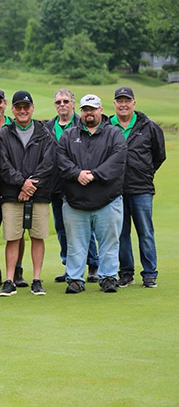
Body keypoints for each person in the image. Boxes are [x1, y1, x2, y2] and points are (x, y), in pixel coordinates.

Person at [58, 94, 127, 294]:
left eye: (93, 109)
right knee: (76, 244)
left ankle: (108, 277)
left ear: (101, 110)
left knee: (109, 242)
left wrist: (94, 175)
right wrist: (76, 173)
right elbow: (61, 159)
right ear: (81, 111)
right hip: (75, 201)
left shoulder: (114, 134)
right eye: (86, 109)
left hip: (107, 199)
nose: (89, 113)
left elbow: (118, 160)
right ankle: (75, 279)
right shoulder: (69, 135)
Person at [0, 90, 53, 297]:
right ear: (12, 109)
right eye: (18, 107)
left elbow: (48, 163)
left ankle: (37, 279)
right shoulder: (4, 133)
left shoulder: (44, 132)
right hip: (12, 195)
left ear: (32, 108)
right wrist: (22, 183)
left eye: (26, 107)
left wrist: (30, 186)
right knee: (12, 237)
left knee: (37, 236)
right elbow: (3, 164)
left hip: (38, 194)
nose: (22, 111)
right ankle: (9, 280)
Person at [111, 86, 165, 289]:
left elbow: (159, 155)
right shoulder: (108, 126)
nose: (123, 104)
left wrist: (146, 172)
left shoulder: (148, 126)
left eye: (127, 100)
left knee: (145, 232)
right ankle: (126, 273)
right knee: (121, 233)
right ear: (114, 103)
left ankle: (150, 274)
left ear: (134, 103)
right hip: (115, 189)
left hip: (141, 188)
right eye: (119, 100)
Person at [45, 89, 99, 283]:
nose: (62, 104)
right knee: (61, 227)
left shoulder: (81, 123)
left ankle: (93, 265)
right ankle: (69, 265)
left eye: (66, 101)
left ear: (73, 103)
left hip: (78, 183)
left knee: (85, 226)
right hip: (55, 185)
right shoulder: (47, 127)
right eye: (58, 101)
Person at [0, 88, 27, 288]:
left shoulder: (15, 125)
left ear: (5, 104)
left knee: (18, 230)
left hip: (14, 186)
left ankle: (17, 270)